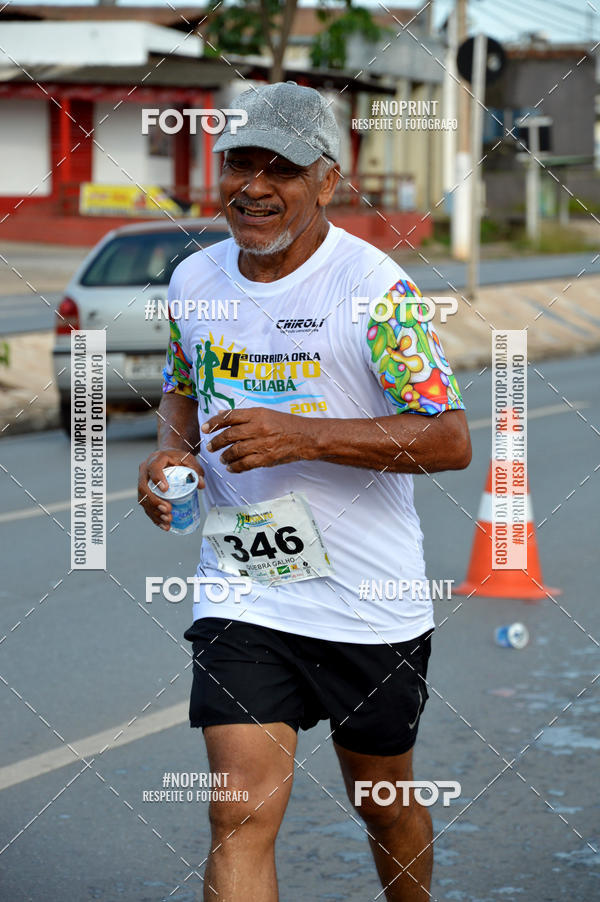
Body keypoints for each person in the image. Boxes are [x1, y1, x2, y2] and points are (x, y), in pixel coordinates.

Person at [138, 82, 471, 902]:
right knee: (239, 816)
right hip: (244, 591)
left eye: (279, 168)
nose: (253, 186)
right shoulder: (193, 281)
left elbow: (450, 439)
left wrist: (306, 434)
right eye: (239, 164)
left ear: (327, 181)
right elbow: (184, 388)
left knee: (383, 803)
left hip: (369, 602)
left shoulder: (376, 290)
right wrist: (168, 457)